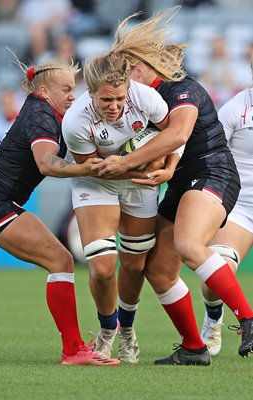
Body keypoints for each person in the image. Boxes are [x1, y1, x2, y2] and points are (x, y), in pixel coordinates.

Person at [93, 9, 253, 365]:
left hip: (213, 173)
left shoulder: (183, 89)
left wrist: (126, 162)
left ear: (138, 68)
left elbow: (178, 134)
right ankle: (194, 347)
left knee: (188, 243)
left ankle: (248, 318)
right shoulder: (135, 100)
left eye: (125, 71)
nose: (121, 81)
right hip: (180, 184)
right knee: (159, 270)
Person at [0, 57, 120, 366]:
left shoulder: (45, 112)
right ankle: (73, 349)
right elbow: (46, 163)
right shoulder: (41, 116)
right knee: (60, 260)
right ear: (45, 91)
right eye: (66, 89)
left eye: (74, 89)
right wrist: (83, 168)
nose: (73, 95)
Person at [62, 42, 185, 363]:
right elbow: (94, 167)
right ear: (89, 92)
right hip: (97, 183)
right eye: (106, 99)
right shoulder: (76, 122)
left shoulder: (145, 97)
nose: (115, 106)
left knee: (134, 264)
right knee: (102, 267)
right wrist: (139, 163)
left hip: (140, 184)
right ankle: (106, 331)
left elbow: (173, 133)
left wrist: (167, 166)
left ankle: (128, 331)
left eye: (120, 98)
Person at [200, 54, 253, 356]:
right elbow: (212, 156)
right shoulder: (236, 109)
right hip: (242, 206)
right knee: (216, 274)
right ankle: (213, 316)